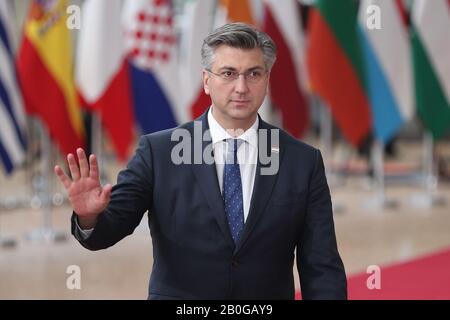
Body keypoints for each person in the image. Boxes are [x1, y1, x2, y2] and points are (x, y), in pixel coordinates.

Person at [55, 22, 347, 300]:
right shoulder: (159, 152)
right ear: (207, 81)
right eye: (229, 73)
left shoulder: (302, 161)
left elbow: (322, 267)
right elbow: (108, 230)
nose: (242, 87)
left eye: (254, 74)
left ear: (267, 80)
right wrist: (90, 218)